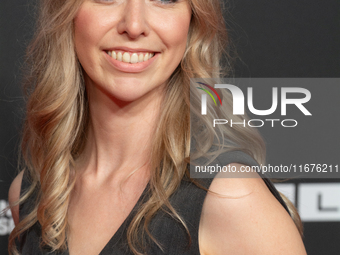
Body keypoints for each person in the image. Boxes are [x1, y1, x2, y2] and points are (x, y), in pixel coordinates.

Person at [8, 0, 307, 254]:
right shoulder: (32, 193)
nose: (134, 24)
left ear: (193, 21)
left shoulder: (231, 197)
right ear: (67, 12)